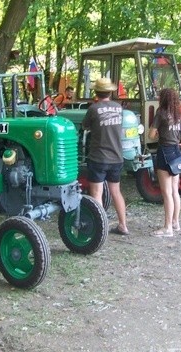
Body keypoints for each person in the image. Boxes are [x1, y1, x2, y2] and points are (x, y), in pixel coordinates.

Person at [81, 78, 129, 235]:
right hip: (116, 157)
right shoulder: (119, 108)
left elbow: (85, 126)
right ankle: (123, 225)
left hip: (98, 158)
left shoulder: (94, 109)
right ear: (110, 91)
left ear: (96, 92)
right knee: (116, 191)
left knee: (96, 193)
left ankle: (100, 230)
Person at [148, 88, 181, 237]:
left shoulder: (161, 113)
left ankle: (167, 227)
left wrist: (157, 134)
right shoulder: (178, 115)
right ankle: (176, 222)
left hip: (165, 151)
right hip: (176, 151)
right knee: (175, 190)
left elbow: (151, 135)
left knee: (166, 192)